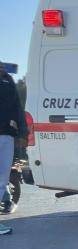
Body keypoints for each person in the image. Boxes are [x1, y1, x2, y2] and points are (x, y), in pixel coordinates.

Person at [0, 62, 27, 230]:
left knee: (2, 177)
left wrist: (22, 132)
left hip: (7, 134)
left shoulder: (8, 81)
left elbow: (17, 107)